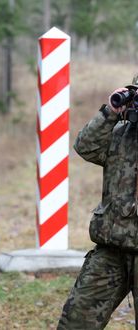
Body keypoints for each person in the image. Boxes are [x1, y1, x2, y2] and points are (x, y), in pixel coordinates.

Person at [58, 76, 138, 329]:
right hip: (111, 249)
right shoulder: (120, 135)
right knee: (75, 322)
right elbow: (86, 146)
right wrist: (110, 112)